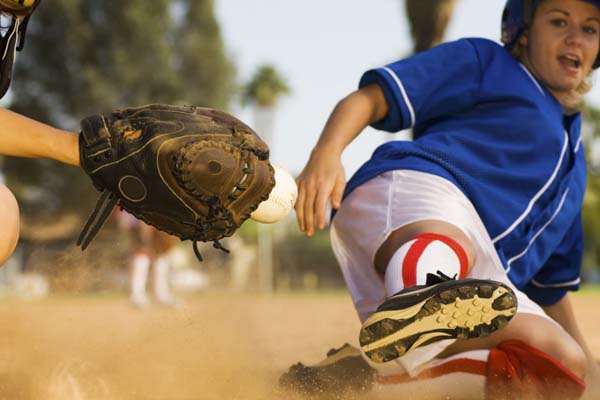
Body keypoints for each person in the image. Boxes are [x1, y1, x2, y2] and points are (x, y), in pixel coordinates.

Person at [292, 0, 600, 397]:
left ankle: (358, 379)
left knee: (559, 364)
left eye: (590, 29)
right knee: (448, 245)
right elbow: (371, 99)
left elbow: (550, 290)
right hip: (417, 193)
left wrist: (588, 363)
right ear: (522, 31)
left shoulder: (575, 171)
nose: (575, 37)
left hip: (483, 278)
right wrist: (326, 154)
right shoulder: (489, 62)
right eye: (558, 21)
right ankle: (425, 295)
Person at [115, 208, 180, 307]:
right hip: (137, 217)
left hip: (151, 216)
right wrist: (145, 240)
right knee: (142, 255)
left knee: (160, 255)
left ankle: (161, 294)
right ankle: (138, 296)